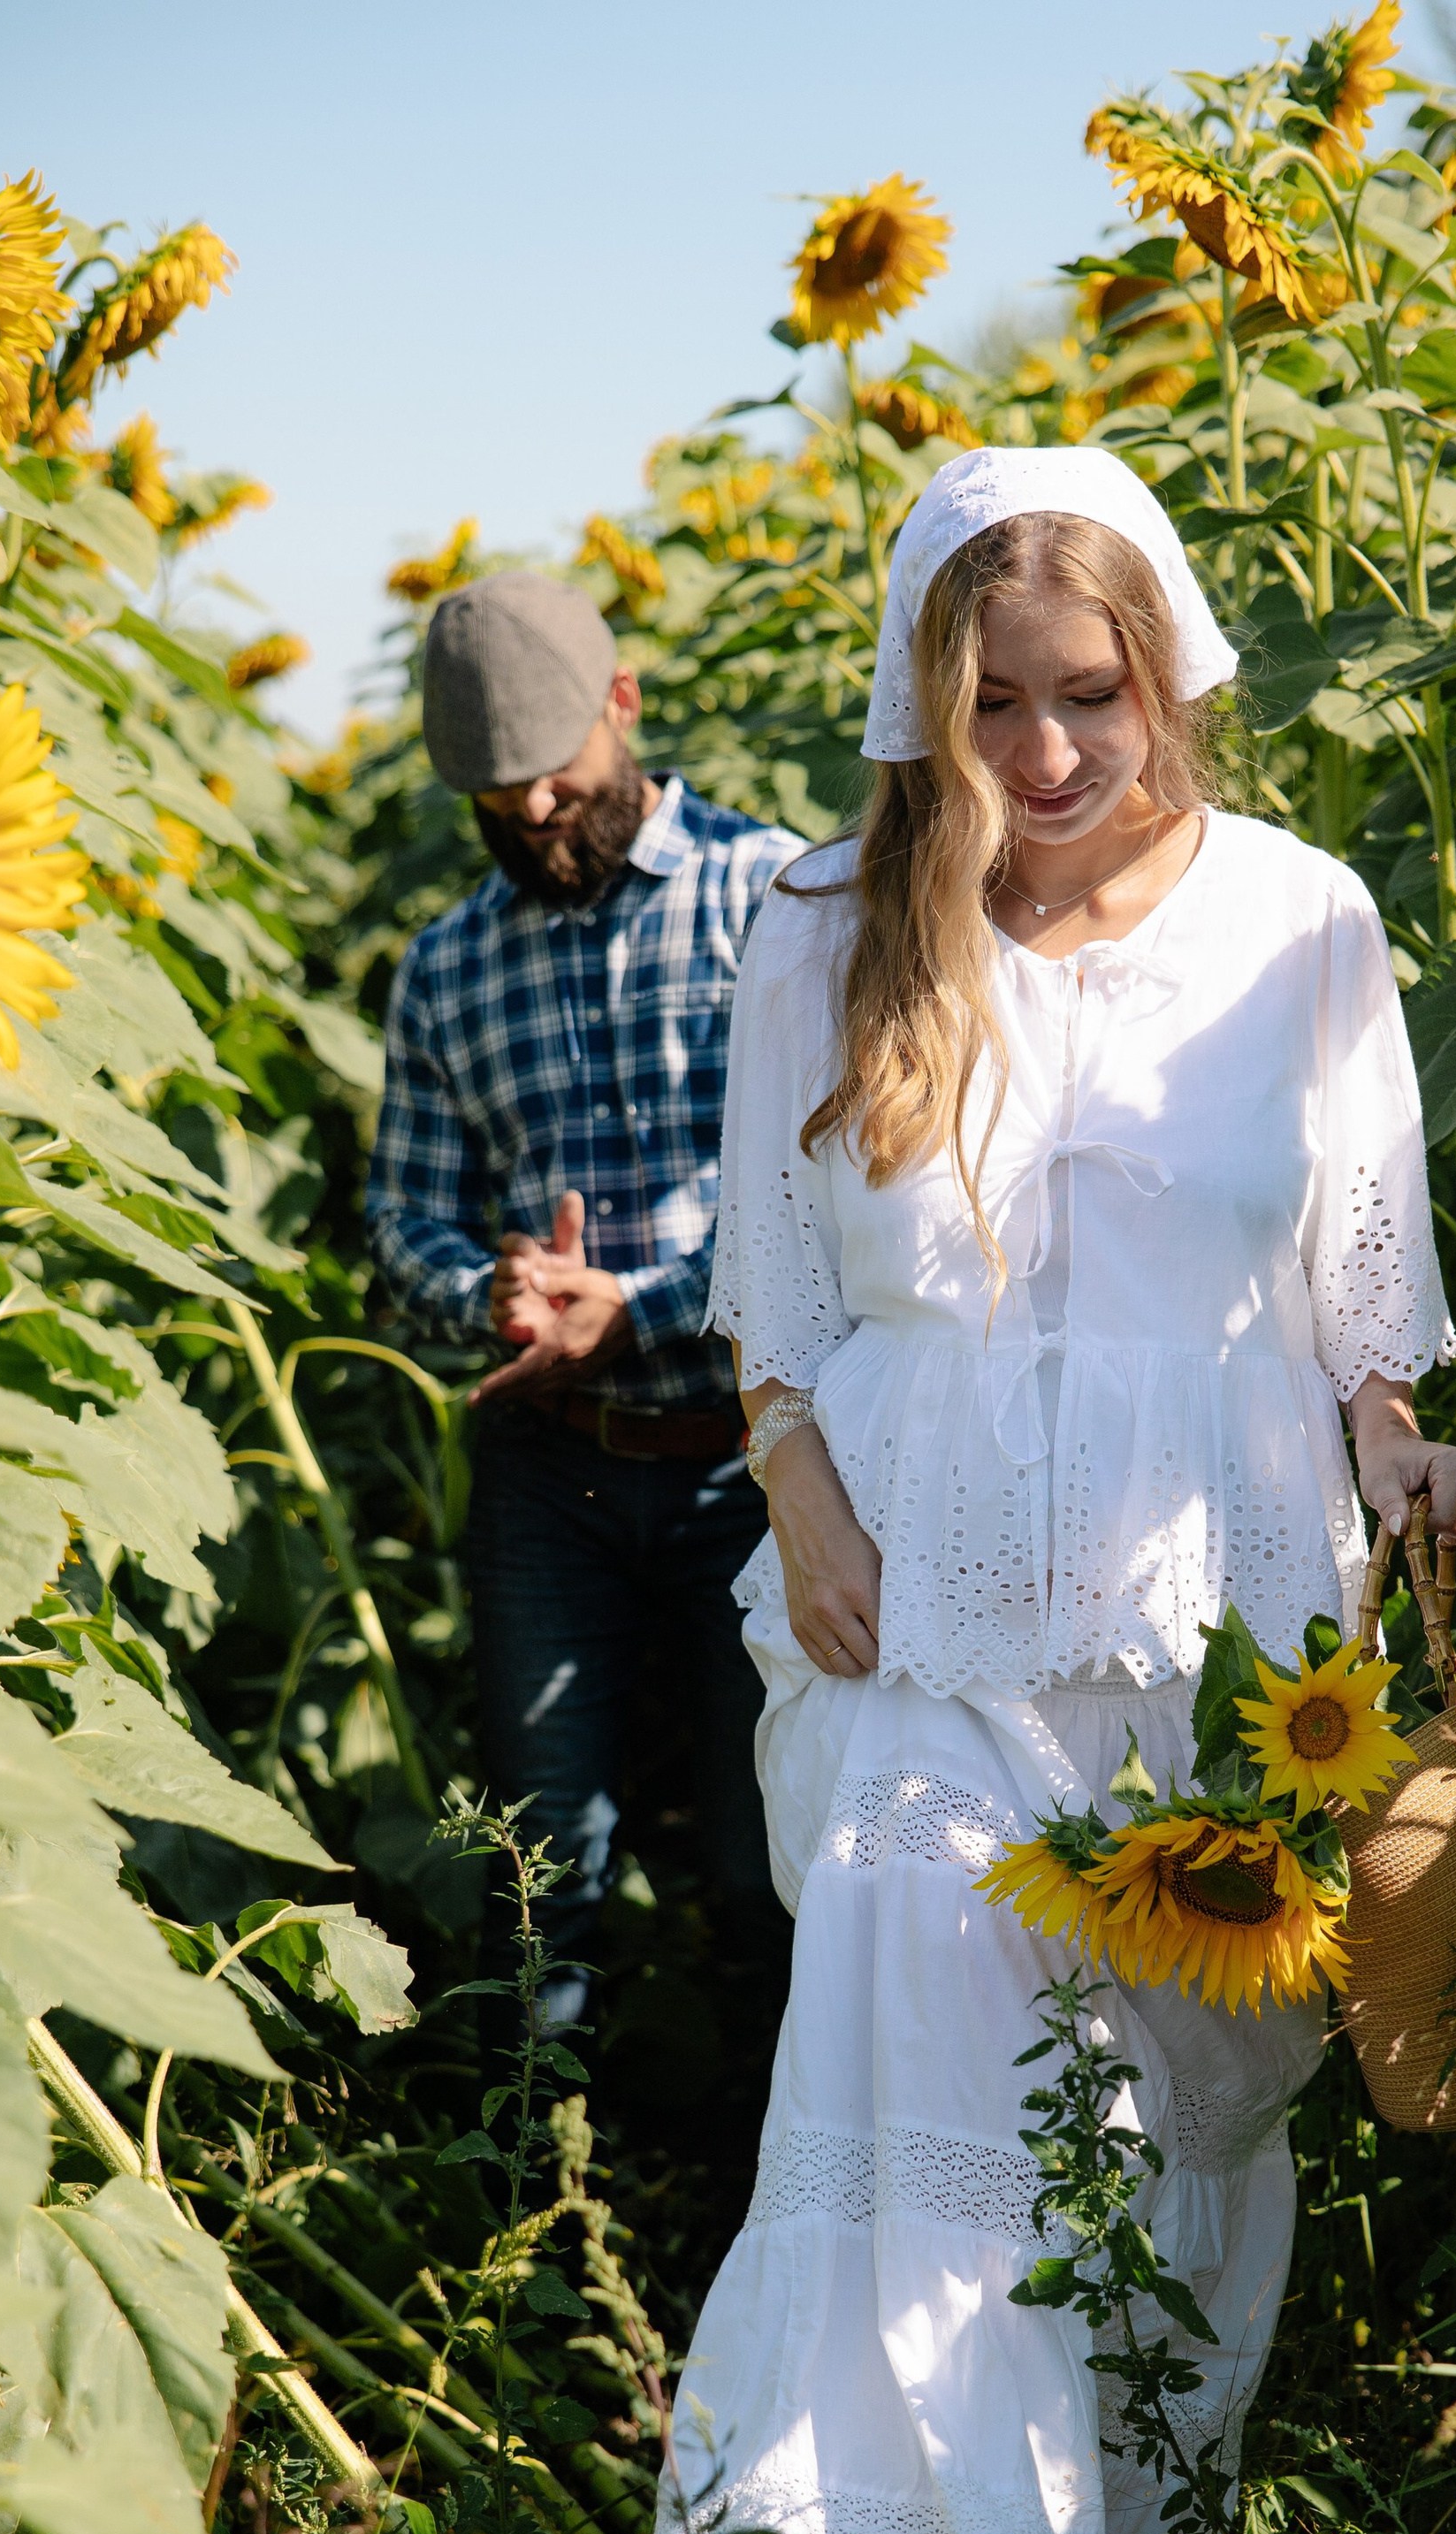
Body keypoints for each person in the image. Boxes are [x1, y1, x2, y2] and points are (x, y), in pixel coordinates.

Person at [644, 447, 1456, 2534]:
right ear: (927, 703)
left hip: (1224, 1671)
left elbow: (1362, 1306)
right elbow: (774, 1292)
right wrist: (798, 1495)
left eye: (1086, 698)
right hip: (911, 1642)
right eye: (991, 705)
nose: (1040, 753)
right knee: (937, 2144)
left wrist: (1409, 1454)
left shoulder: (1299, 925)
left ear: (1167, 680)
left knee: (1163, 2197)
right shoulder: (830, 926)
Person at [366, 573, 802, 2019]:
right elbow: (404, 1220)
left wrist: (642, 1306)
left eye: (556, 775)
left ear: (624, 702)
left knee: (771, 1855)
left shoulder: (774, 899)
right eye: (500, 799)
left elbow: (843, 1193)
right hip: (555, 1477)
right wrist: (494, 1294)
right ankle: (542, 2150)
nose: (538, 811)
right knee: (538, 1871)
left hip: (764, 1458)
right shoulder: (444, 970)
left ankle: (772, 2144)